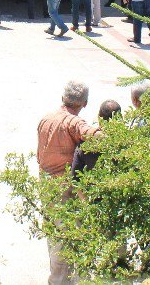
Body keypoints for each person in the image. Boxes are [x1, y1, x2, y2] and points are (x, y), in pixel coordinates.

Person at [37, 80, 100, 284]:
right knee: (71, 236)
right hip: (66, 187)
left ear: (63, 98)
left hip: (46, 183)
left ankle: (57, 279)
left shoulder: (45, 119)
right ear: (85, 103)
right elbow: (92, 134)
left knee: (54, 235)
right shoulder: (73, 123)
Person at [71, 100, 121, 176]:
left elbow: (75, 176)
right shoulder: (129, 142)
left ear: (99, 117)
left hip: (94, 186)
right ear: (120, 118)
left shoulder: (85, 144)